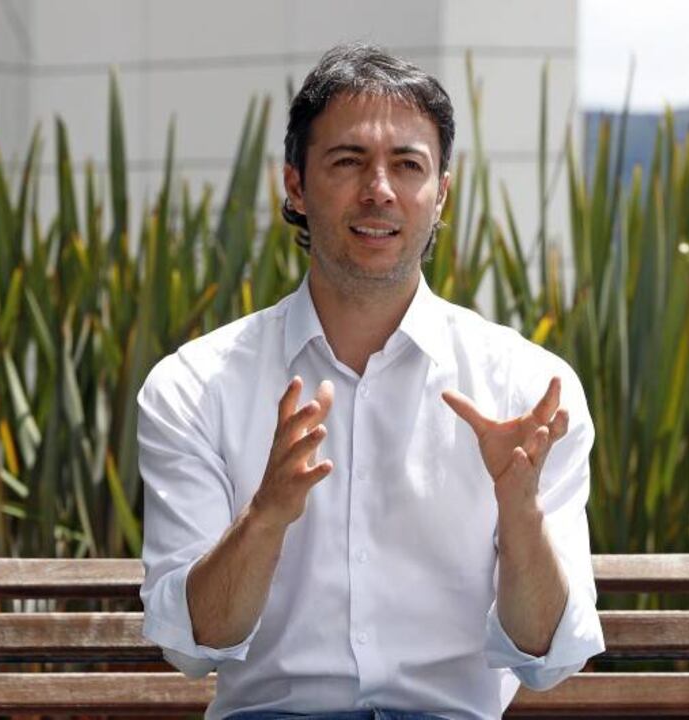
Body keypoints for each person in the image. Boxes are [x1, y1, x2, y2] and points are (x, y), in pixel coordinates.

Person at [137, 43, 604, 720]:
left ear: (442, 193)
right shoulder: (195, 385)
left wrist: (519, 511)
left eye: (408, 165)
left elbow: (546, 659)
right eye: (348, 161)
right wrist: (267, 515)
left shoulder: (530, 388)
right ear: (296, 186)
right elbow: (192, 647)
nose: (379, 189)